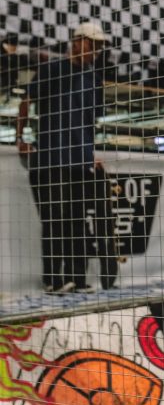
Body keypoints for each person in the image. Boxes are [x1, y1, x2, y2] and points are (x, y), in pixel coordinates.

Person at [16, 22, 117, 294]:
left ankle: (77, 278)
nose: (95, 51)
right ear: (77, 41)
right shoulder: (51, 69)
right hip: (51, 158)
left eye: (99, 47)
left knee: (78, 220)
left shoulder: (93, 78)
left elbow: (89, 122)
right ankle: (53, 279)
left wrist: (91, 153)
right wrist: (20, 138)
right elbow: (26, 100)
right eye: (92, 45)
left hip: (80, 161)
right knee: (54, 219)